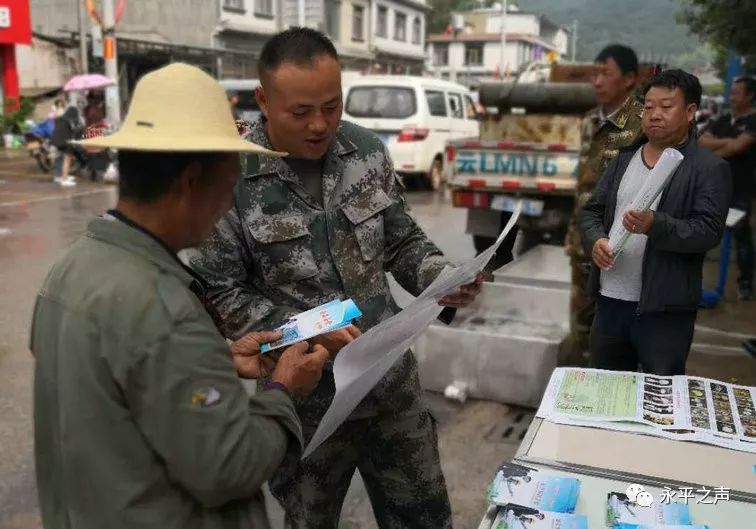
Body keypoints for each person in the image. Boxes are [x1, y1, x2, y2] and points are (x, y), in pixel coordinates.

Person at [190, 28, 483, 529]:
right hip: (305, 402)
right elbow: (220, 293)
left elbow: (401, 241)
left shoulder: (365, 151)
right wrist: (302, 329)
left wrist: (443, 276)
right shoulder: (232, 174)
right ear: (263, 99)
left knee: (425, 517)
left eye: (331, 105)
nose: (320, 124)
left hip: (389, 386)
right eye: (301, 112)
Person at [30, 63, 332, 529]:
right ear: (191, 181)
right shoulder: (162, 307)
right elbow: (231, 467)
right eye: (229, 186)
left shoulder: (70, 272)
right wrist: (281, 391)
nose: (229, 205)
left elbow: (127, 387)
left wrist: (218, 359)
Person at [581, 69, 731, 375]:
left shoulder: (707, 168)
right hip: (610, 303)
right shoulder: (623, 159)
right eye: (648, 107)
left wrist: (655, 225)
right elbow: (592, 212)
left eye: (666, 106)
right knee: (605, 392)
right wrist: (595, 240)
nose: (654, 115)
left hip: (664, 313)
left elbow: (707, 232)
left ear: (690, 111)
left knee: (659, 401)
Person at [561, 44, 645, 366]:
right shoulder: (588, 121)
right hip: (582, 242)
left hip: (619, 247)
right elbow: (582, 185)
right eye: (594, 73)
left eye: (605, 73)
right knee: (581, 320)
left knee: (615, 328)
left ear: (629, 79)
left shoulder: (641, 125)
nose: (596, 81)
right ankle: (584, 381)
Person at [699, 76, 756, 300]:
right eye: (731, 92)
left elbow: (740, 147)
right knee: (702, 233)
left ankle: (745, 282)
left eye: (736, 93)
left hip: (740, 190)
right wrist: (728, 146)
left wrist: (719, 149)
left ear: (749, 95)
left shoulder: (753, 121)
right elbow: (702, 141)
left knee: (742, 238)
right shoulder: (722, 119)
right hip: (714, 189)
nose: (731, 97)